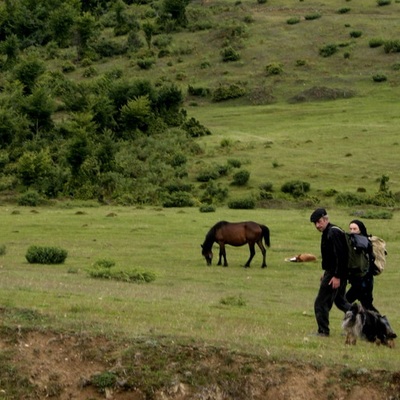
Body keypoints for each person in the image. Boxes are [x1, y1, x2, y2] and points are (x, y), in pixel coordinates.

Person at [310, 208, 351, 337]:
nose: (317, 225)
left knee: (321, 302)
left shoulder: (333, 233)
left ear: (326, 219)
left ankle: (323, 331)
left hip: (336, 274)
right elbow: (332, 257)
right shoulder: (330, 231)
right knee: (340, 301)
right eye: (315, 223)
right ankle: (359, 321)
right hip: (336, 272)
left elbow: (342, 256)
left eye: (319, 222)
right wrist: (326, 272)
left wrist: (337, 276)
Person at [345, 219, 379, 313]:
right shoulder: (353, 242)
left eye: (355, 229)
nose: (352, 231)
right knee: (367, 306)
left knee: (346, 301)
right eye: (350, 229)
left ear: (360, 230)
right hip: (361, 280)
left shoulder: (363, 241)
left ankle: (380, 323)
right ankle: (378, 323)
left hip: (364, 281)